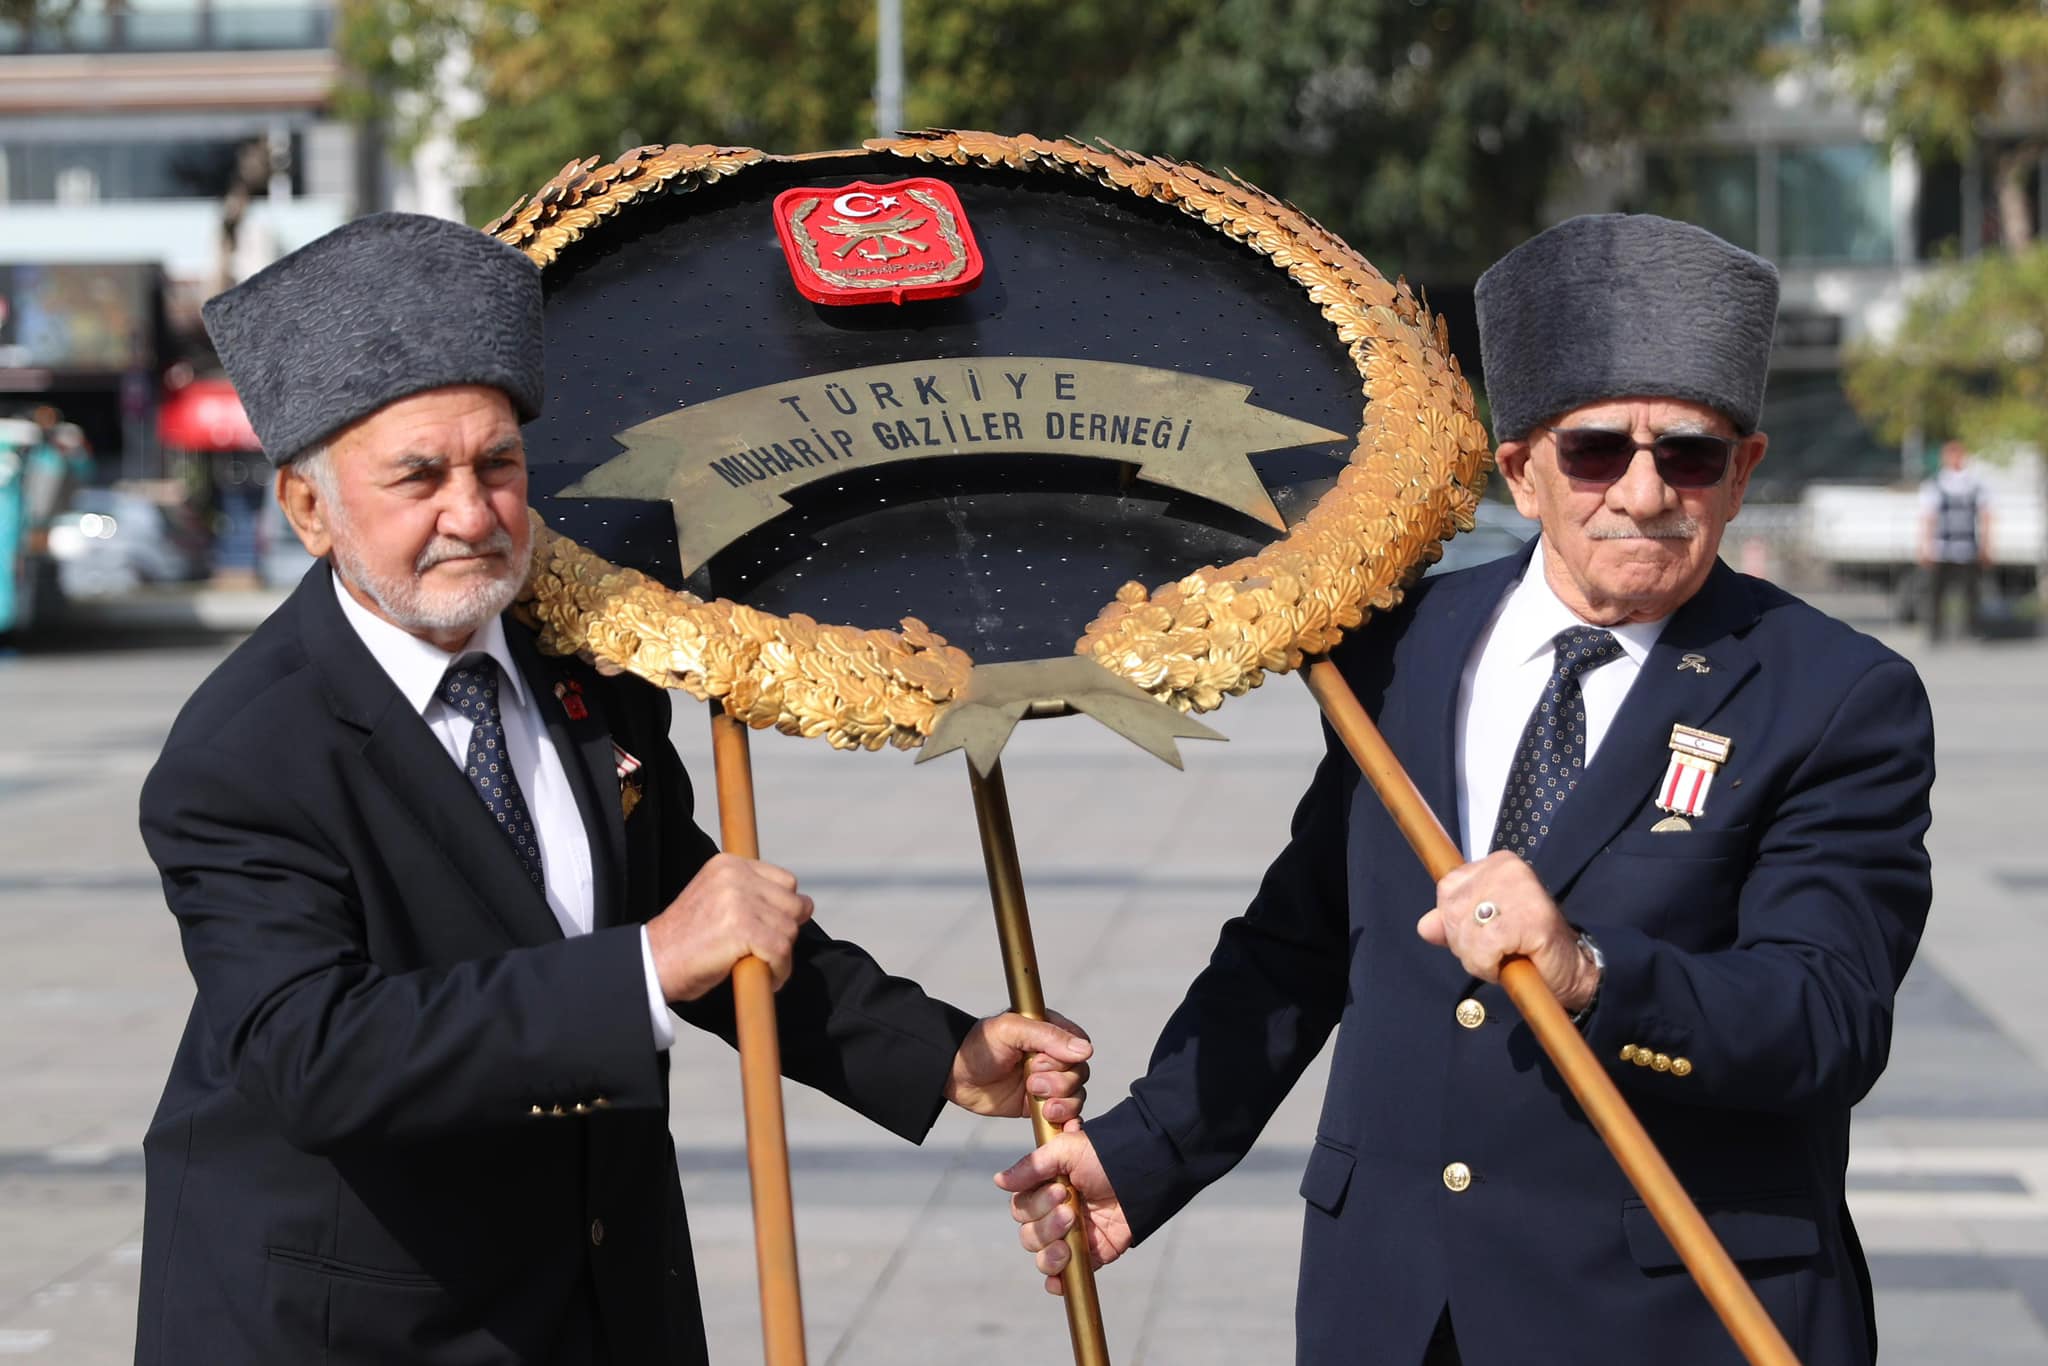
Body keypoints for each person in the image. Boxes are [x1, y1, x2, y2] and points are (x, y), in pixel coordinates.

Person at [135, 213, 1093, 1366]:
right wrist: (642, 969)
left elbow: (692, 906)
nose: (471, 512)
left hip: (600, 1297)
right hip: (359, 1321)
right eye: (417, 477)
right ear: (307, 509)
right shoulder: (243, 753)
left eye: (497, 465)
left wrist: (937, 1053)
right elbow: (314, 1054)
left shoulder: (581, 666)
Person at [996, 214, 1934, 1366]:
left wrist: (1591, 973)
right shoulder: (1398, 646)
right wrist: (1143, 1153)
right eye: (1596, 452)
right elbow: (1302, 941)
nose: (1642, 494)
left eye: (1687, 454)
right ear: (1519, 469)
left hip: (1669, 1315)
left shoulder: (1836, 694)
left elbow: (1824, 1017)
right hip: (1396, 1309)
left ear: (1740, 473)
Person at [1918, 438, 1992, 642]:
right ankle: (1935, 632)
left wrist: (1986, 545)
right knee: (1936, 594)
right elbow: (1928, 518)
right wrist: (1925, 547)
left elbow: (1986, 516)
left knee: (1971, 594)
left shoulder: (1975, 484)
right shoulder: (1935, 484)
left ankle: (1971, 630)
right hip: (1942, 548)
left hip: (1967, 547)